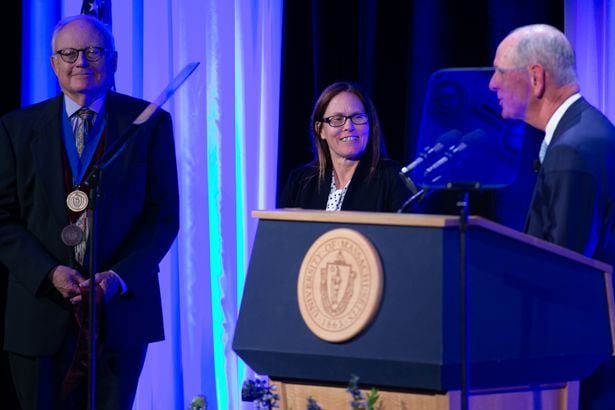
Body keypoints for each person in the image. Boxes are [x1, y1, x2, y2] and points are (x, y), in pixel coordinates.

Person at [0, 14, 179, 410]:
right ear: (53, 64)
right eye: (69, 52)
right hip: (40, 313)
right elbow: (3, 220)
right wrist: (48, 273)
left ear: (113, 61)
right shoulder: (16, 128)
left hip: (120, 313)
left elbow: (163, 217)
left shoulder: (148, 123)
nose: (81, 61)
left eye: (94, 51)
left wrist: (118, 277)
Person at [489, 24, 615, 409]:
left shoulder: (572, 150)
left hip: (582, 364)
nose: (492, 84)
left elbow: (562, 269)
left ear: (536, 77)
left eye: (499, 72)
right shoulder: (591, 130)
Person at [279, 81, 415, 212]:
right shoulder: (300, 182)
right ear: (320, 130)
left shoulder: (393, 178)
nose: (349, 127)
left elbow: (412, 234)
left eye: (357, 117)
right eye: (337, 119)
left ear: (370, 124)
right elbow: (279, 234)